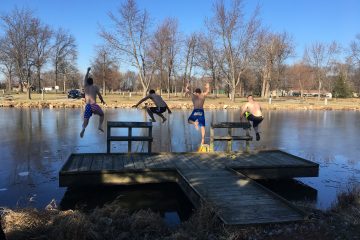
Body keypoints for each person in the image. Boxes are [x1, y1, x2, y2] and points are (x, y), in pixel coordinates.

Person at [80, 67, 106, 138]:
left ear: (87, 82)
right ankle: (100, 126)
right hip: (94, 105)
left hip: (88, 106)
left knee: (86, 121)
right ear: (92, 82)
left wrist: (87, 71)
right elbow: (100, 95)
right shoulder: (95, 87)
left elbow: (85, 78)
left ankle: (83, 129)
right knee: (102, 114)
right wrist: (102, 101)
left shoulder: (85, 87)